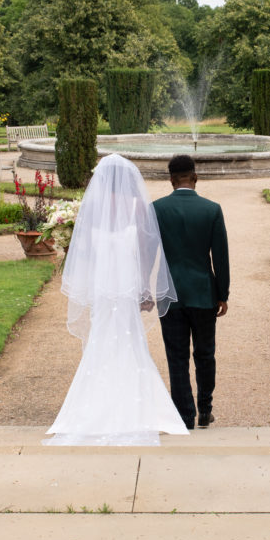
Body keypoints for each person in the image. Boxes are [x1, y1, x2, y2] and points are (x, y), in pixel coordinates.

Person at [44, 154, 189, 446]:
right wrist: (146, 289)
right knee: (130, 343)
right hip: (126, 286)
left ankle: (95, 406)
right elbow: (148, 250)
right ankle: (137, 406)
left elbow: (84, 254)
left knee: (103, 341)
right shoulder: (138, 209)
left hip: (103, 287)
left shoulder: (90, 210)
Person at [152, 154, 230, 430]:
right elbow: (220, 256)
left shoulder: (157, 209)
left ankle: (184, 415)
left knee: (177, 356)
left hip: (169, 294)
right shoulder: (212, 209)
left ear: (171, 180)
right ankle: (205, 411)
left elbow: (148, 253)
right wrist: (223, 294)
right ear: (195, 177)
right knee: (205, 353)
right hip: (203, 292)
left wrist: (145, 289)